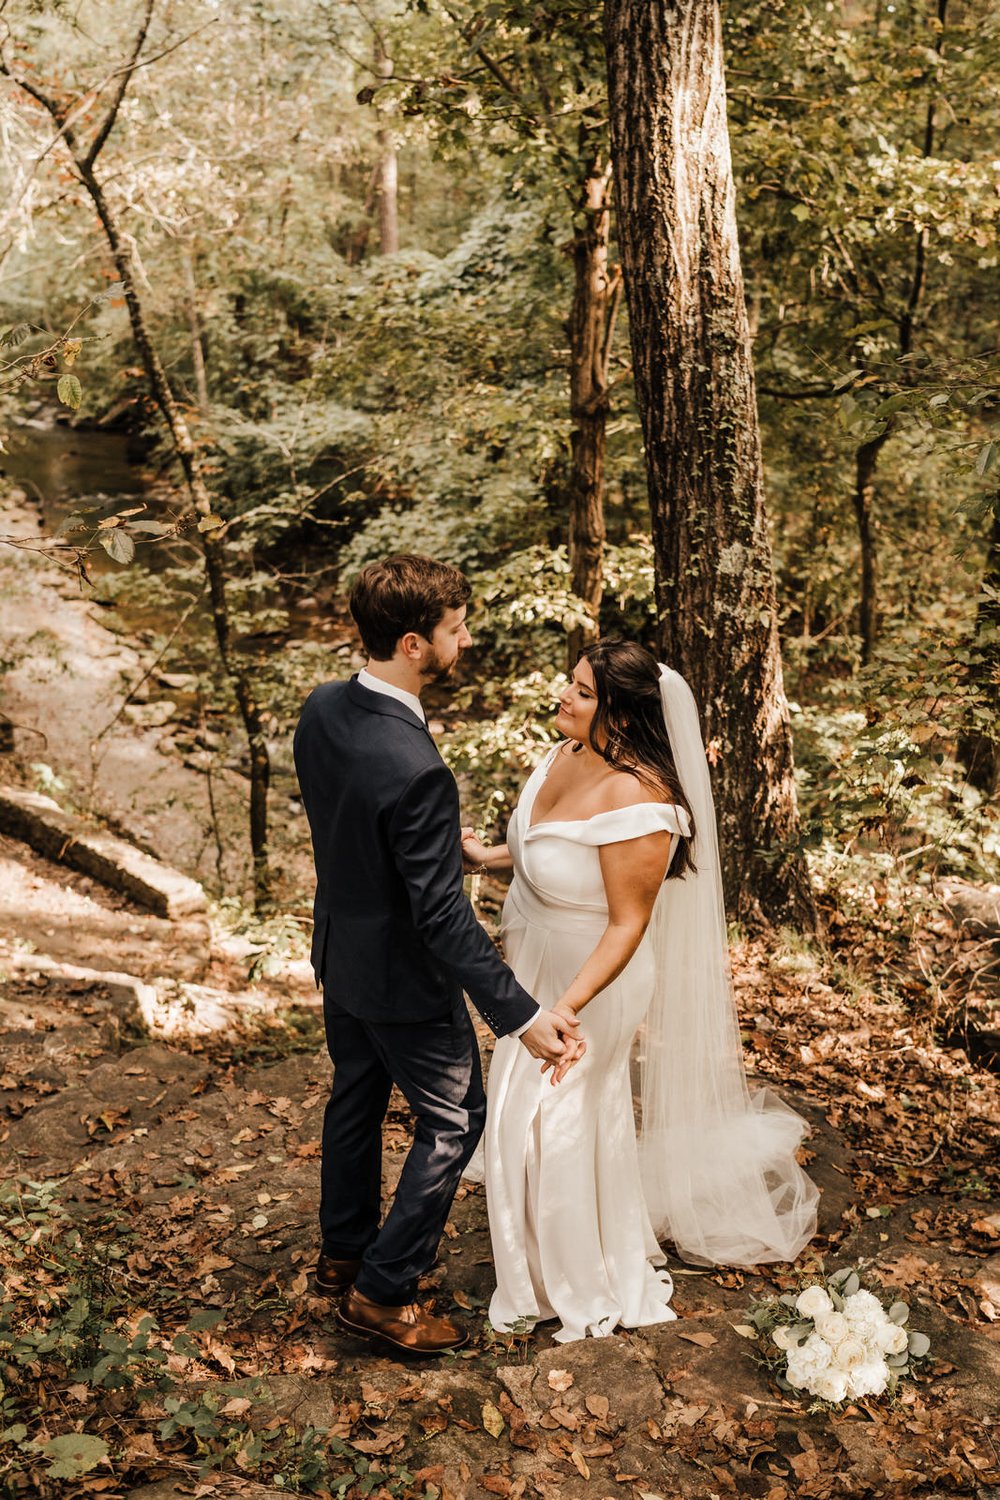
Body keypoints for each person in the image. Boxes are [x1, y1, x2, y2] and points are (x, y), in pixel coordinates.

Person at [461, 639, 819, 1344]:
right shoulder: (564, 754)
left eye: (585, 693)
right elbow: (551, 845)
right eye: (570, 683)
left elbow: (628, 925)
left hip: (592, 983)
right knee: (517, 1115)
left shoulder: (643, 799)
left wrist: (562, 1010)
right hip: (529, 971)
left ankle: (578, 1284)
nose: (565, 697)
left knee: (554, 1122)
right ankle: (534, 1269)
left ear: (621, 716)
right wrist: (487, 857)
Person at [292, 554, 581, 1357]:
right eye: (457, 630)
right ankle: (383, 1294)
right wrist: (520, 1014)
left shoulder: (321, 710)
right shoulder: (418, 767)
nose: (466, 641)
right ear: (415, 643)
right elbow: (443, 919)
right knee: (454, 1121)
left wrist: (417, 850)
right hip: (402, 979)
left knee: (355, 1099)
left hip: (341, 953)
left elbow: (343, 823)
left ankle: (342, 1252)